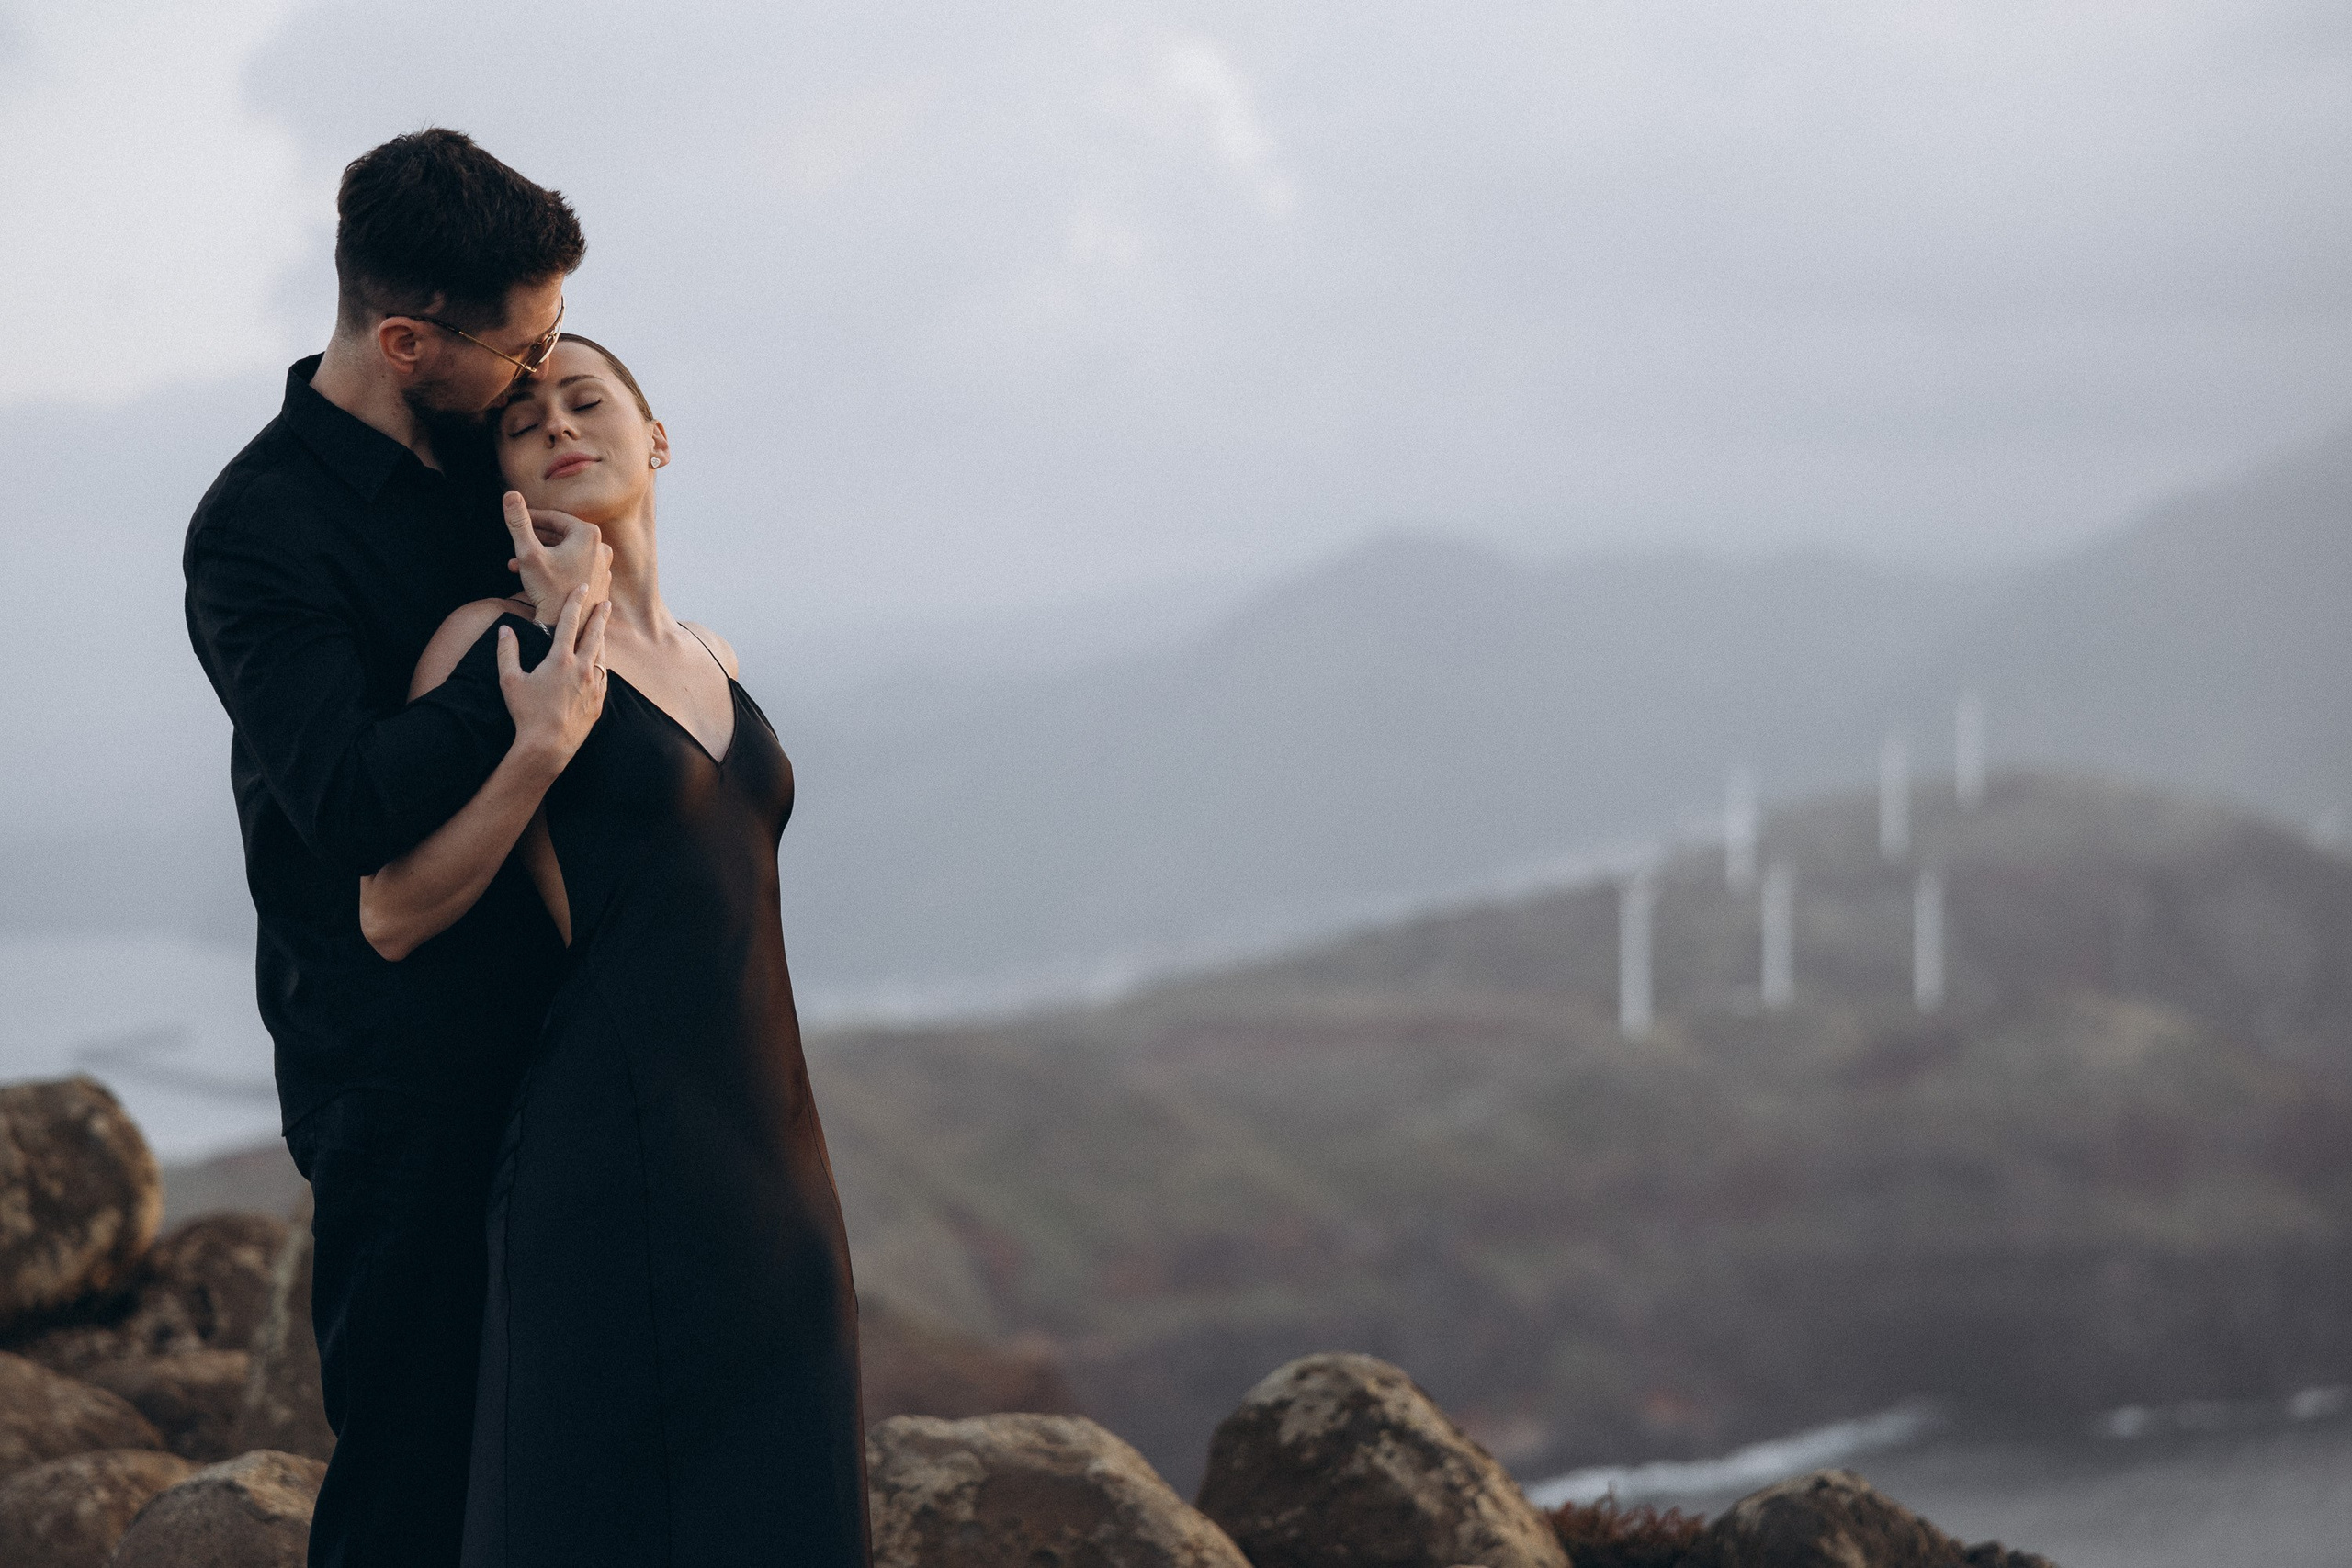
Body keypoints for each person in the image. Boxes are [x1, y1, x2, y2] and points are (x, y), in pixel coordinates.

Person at [357, 335, 870, 1566]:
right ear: (508, 486)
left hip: (778, 1178)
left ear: (658, 438)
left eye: (587, 401)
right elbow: (393, 909)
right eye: (524, 421)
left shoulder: (717, 658)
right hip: (603, 1169)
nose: (558, 425)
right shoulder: (497, 643)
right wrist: (538, 745)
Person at [183, 130, 611, 1568]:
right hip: (394, 1064)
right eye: (523, 347)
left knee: (557, 1439)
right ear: (410, 338)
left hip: (555, 1024)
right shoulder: (256, 532)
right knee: (416, 1460)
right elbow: (353, 799)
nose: (542, 373)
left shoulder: (475, 455)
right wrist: (522, 679)